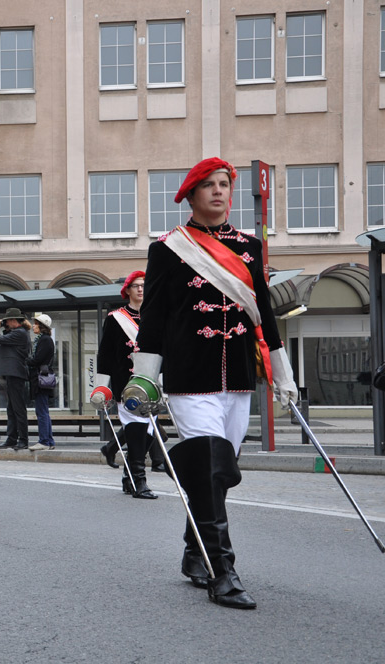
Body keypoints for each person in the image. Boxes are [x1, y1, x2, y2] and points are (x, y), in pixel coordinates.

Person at [124, 157, 297, 610]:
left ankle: (193, 552)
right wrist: (145, 380)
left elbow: (263, 313)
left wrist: (281, 373)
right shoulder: (168, 249)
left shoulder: (250, 246)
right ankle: (224, 571)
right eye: (209, 186)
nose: (219, 192)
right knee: (206, 465)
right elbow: (156, 318)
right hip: (190, 375)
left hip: (238, 375)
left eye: (225, 184)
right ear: (192, 195)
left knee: (216, 475)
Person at [90, 271, 161, 499]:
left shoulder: (155, 316)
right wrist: (102, 387)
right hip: (126, 384)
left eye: (144, 285)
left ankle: (127, 474)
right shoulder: (115, 318)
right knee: (136, 430)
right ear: (127, 290)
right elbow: (106, 355)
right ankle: (140, 481)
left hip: (152, 385)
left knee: (149, 433)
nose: (141, 289)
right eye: (136, 286)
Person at [0, 307, 31, 451]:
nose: (6, 324)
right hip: (12, 374)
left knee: (18, 409)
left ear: (14, 320)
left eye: (7, 321)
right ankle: (12, 438)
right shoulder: (17, 333)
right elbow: (4, 338)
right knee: (11, 409)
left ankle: (23, 440)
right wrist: (2, 326)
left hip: (16, 374)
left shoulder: (20, 333)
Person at [27, 314, 56, 451]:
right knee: (43, 411)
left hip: (41, 379)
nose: (33, 326)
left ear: (42, 326)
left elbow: (37, 360)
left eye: (36, 324)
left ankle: (44, 441)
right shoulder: (44, 339)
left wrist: (25, 360)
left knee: (42, 412)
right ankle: (49, 441)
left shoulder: (44, 340)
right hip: (43, 378)